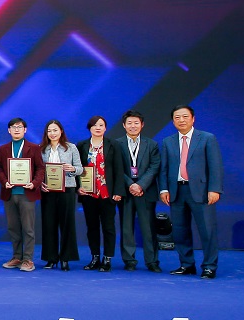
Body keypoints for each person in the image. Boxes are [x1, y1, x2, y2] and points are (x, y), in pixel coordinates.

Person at [159, 105, 224, 279]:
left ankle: (209, 266)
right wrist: (164, 189)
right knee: (180, 231)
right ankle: (186, 264)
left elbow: (215, 166)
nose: (181, 120)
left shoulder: (207, 138)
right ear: (173, 121)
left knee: (207, 231)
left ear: (193, 119)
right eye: (177, 117)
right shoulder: (168, 141)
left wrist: (214, 189)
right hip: (176, 191)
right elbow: (164, 168)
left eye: (185, 116)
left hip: (201, 191)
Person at [0, 118, 45, 272]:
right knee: (13, 228)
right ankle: (17, 257)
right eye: (13, 127)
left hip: (27, 193)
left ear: (25, 130)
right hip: (9, 193)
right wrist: (4, 181)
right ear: (9, 130)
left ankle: (28, 259)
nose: (16, 129)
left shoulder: (34, 148)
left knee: (28, 229)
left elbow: (40, 168)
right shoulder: (3, 149)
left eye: (19, 127)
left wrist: (34, 183)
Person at [76, 115, 125, 272]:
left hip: (107, 193)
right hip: (88, 193)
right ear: (89, 128)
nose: (98, 128)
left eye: (101, 125)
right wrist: (78, 187)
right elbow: (77, 168)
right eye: (94, 125)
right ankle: (95, 257)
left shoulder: (113, 145)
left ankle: (107, 258)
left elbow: (119, 169)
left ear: (105, 128)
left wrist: (118, 191)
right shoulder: (81, 145)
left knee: (108, 227)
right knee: (92, 227)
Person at [116, 110, 162, 272]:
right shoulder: (117, 144)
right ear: (124, 125)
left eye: (136, 123)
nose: (133, 126)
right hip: (125, 190)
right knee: (126, 227)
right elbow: (117, 167)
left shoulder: (152, 144)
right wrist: (130, 184)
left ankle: (152, 261)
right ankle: (129, 260)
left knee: (149, 228)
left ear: (142, 125)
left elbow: (154, 167)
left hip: (146, 191)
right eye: (129, 123)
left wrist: (140, 185)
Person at [38, 120, 83, 271]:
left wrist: (72, 168)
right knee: (48, 224)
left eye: (55, 130)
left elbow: (80, 168)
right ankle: (51, 258)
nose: (52, 133)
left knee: (67, 223)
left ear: (61, 131)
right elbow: (37, 170)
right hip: (48, 190)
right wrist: (40, 183)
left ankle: (65, 258)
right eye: (49, 131)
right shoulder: (41, 149)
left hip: (67, 189)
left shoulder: (71, 147)